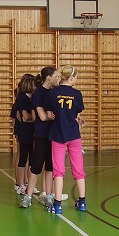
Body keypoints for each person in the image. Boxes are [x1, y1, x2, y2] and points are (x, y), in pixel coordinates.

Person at [46, 65, 86, 214]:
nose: (77, 80)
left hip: (57, 135)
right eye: (76, 77)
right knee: (79, 170)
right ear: (70, 78)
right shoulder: (77, 94)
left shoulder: (53, 93)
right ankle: (82, 202)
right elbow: (76, 113)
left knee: (58, 171)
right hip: (74, 136)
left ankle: (57, 205)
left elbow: (50, 113)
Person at [20, 66, 61, 208]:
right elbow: (43, 117)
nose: (58, 78)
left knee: (50, 167)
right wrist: (56, 116)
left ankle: (49, 195)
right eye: (56, 76)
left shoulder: (56, 92)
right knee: (36, 166)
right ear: (48, 77)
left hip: (54, 135)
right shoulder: (38, 94)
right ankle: (28, 196)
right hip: (42, 134)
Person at [14, 74, 36, 195]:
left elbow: (30, 118)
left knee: (32, 160)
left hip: (32, 132)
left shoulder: (32, 98)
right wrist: (35, 118)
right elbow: (25, 117)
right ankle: (20, 184)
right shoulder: (22, 98)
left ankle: (28, 184)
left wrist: (32, 119)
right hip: (24, 132)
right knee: (23, 159)